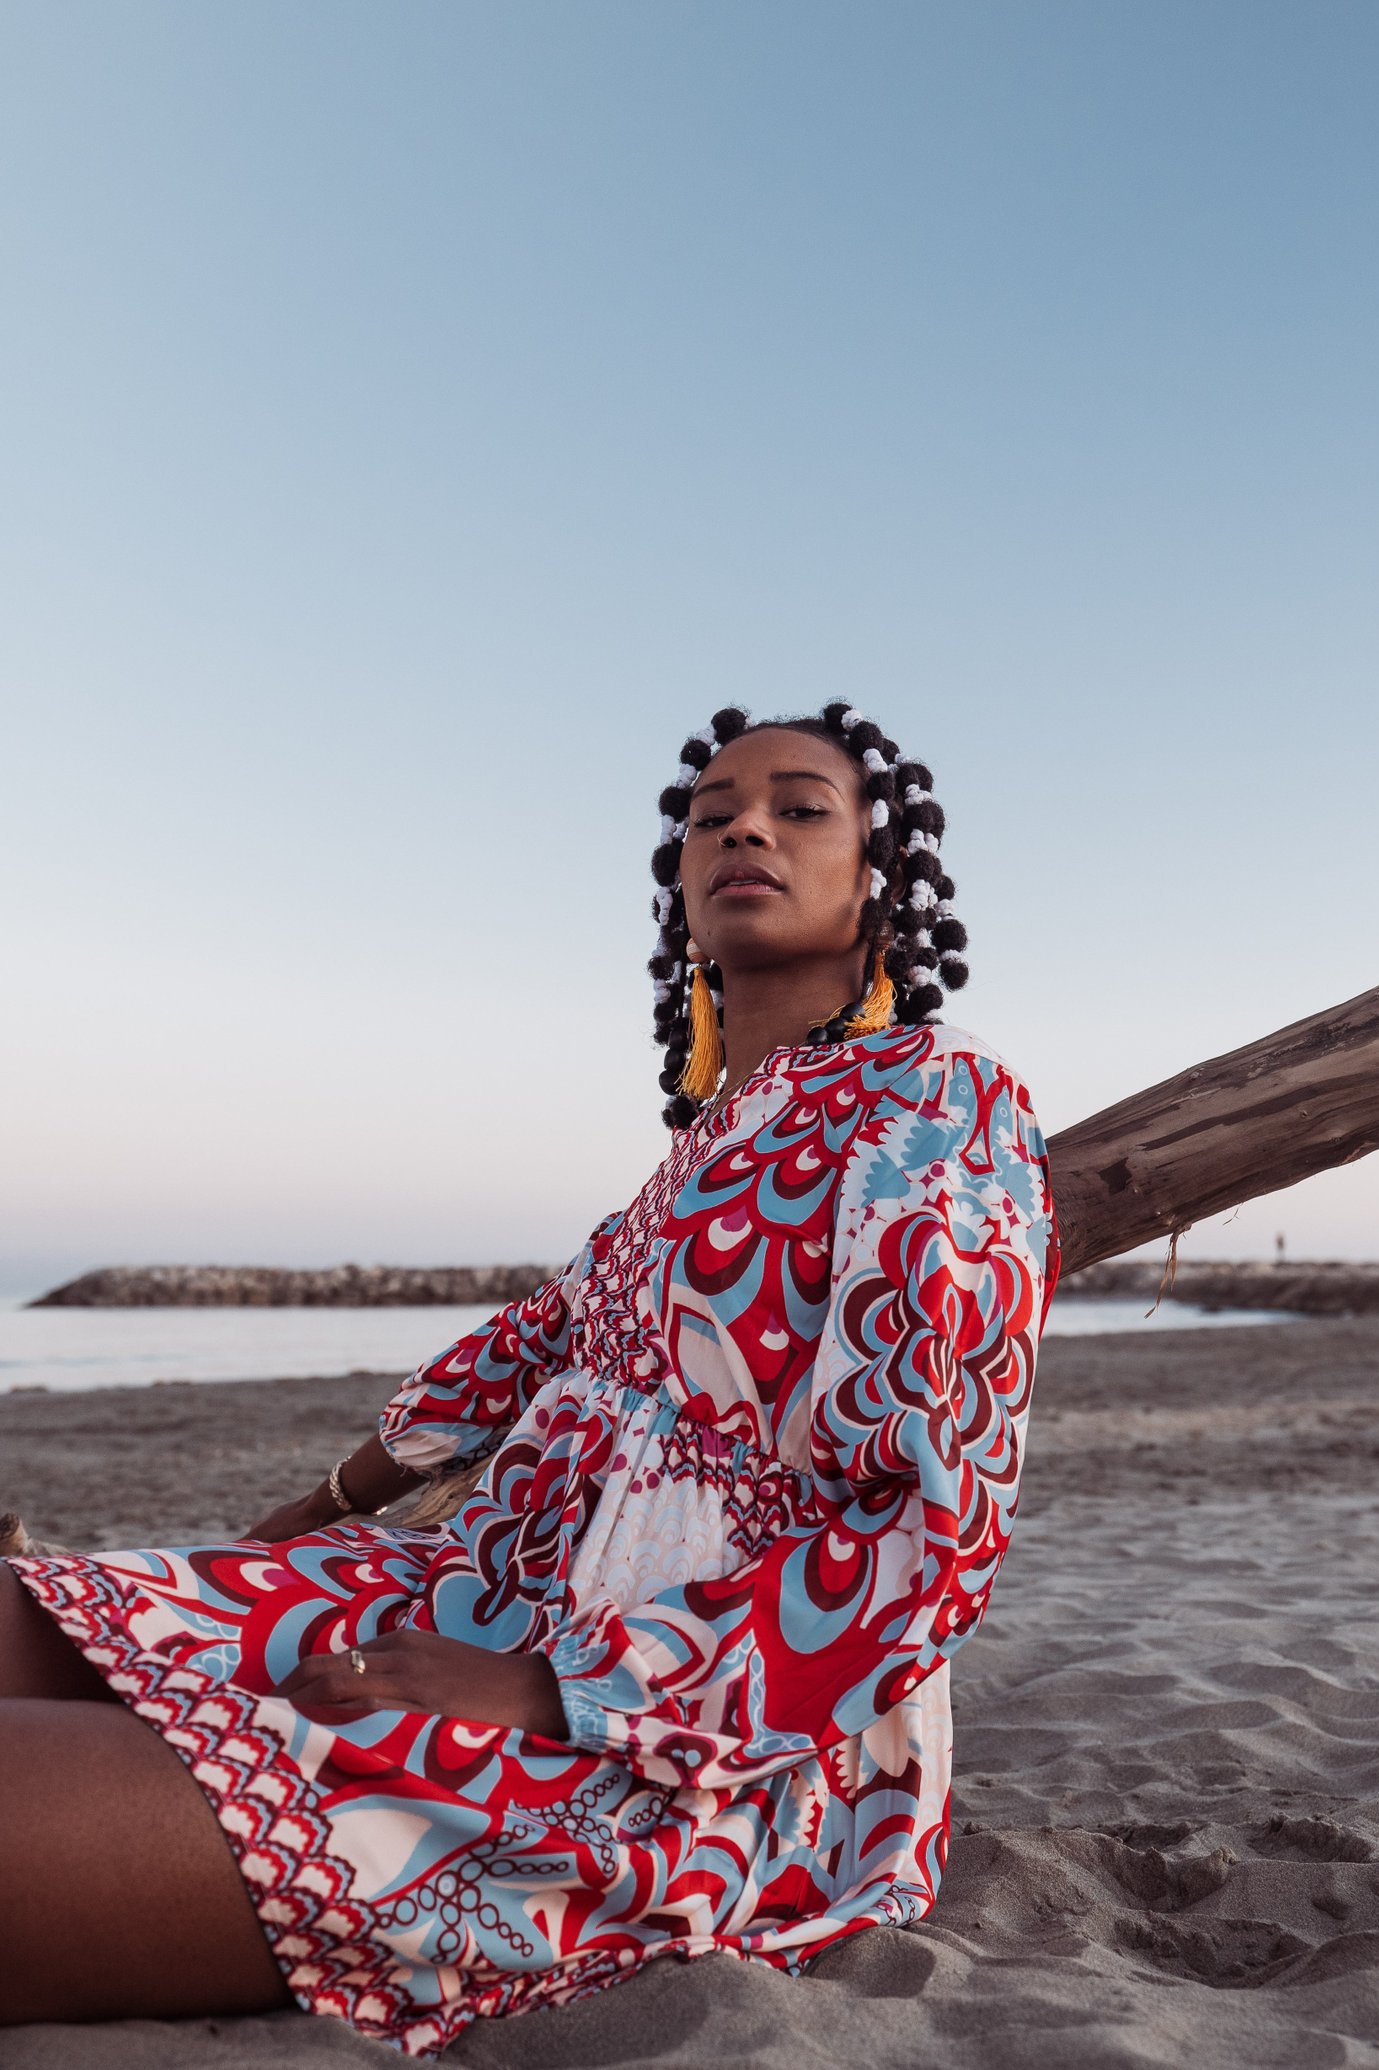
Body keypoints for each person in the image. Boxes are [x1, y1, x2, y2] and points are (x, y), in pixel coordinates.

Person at [0, 702, 1059, 2055]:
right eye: (712, 811)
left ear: (881, 881)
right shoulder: (695, 1159)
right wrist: (298, 1520)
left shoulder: (942, 1107)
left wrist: (560, 1688)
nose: (743, 823)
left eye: (801, 807)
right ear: (679, 884)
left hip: (730, 1733)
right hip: (476, 1592)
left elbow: (934, 1526)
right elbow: (521, 1349)